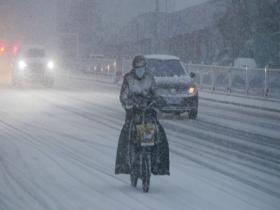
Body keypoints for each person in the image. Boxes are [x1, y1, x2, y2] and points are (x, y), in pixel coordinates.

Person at [115, 55, 170, 175]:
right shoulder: (128, 79)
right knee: (127, 133)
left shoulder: (150, 78)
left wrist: (159, 101)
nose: (140, 69)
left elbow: (156, 92)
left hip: (148, 111)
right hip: (134, 112)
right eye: (137, 67)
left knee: (159, 133)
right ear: (134, 68)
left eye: (142, 67)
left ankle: (159, 163)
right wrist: (130, 103)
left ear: (145, 67)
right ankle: (126, 163)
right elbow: (123, 96)